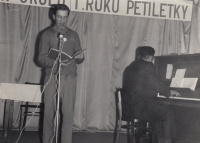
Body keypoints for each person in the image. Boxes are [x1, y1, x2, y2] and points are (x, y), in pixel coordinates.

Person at [38, 4, 84, 143]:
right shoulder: (46, 34)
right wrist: (56, 62)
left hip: (70, 77)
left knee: (68, 114)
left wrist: (80, 57)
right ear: (53, 16)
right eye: (59, 17)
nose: (62, 20)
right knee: (49, 114)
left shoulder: (74, 34)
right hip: (52, 77)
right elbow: (40, 58)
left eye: (65, 17)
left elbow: (80, 56)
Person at [123, 46, 180, 143]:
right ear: (150, 57)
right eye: (153, 57)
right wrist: (169, 91)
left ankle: (160, 140)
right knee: (168, 112)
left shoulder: (129, 67)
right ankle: (167, 141)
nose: (153, 59)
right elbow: (157, 84)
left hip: (130, 109)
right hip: (140, 109)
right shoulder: (148, 65)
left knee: (157, 112)